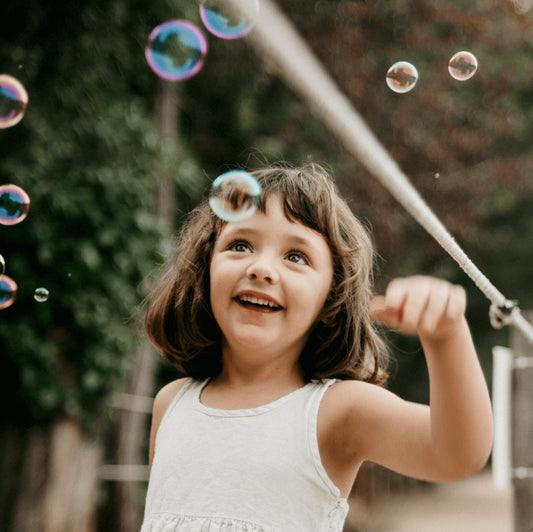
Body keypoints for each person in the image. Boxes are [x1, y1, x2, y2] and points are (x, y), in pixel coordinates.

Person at [140, 162, 493, 531]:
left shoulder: (337, 411)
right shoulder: (171, 402)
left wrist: (445, 337)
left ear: (331, 297)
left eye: (296, 256)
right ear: (205, 271)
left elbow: (458, 455)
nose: (261, 269)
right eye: (240, 245)